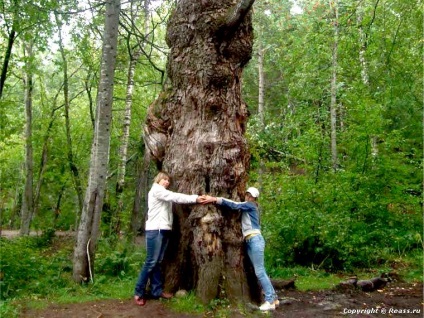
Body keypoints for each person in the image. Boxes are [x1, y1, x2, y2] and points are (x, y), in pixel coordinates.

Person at [134, 171, 206, 306]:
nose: (166, 182)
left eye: (168, 181)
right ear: (158, 179)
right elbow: (175, 197)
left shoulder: (162, 192)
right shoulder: (157, 190)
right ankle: (138, 292)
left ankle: (156, 291)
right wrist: (195, 198)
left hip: (164, 229)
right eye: (164, 179)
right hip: (155, 229)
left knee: (158, 261)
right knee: (151, 261)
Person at [202, 187, 279, 311]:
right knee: (259, 270)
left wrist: (215, 199)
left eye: (251, 196)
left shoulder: (250, 205)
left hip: (255, 239)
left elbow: (234, 205)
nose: (249, 197)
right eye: (248, 195)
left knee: (259, 271)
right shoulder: (248, 207)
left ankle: (270, 300)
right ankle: (274, 298)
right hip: (250, 240)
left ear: (255, 198)